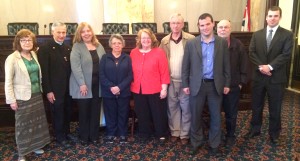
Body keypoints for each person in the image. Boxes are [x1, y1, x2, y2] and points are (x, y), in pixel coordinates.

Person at [181, 13, 230, 155]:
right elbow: (186, 66)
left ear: (213, 24)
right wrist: (185, 84)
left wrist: (227, 83)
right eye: (202, 25)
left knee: (216, 117)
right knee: (195, 116)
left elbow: (226, 65)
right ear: (198, 26)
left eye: (208, 24)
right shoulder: (191, 43)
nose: (205, 27)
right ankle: (196, 142)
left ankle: (214, 145)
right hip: (197, 86)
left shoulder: (221, 42)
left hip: (215, 85)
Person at [246, 6, 293, 144]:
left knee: (275, 107)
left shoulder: (287, 35)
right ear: (266, 18)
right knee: (256, 105)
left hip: (276, 78)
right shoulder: (257, 34)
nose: (272, 18)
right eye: (270, 16)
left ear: (280, 17)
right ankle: (255, 129)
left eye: (275, 16)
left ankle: (274, 133)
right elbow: (252, 52)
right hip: (259, 77)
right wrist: (262, 67)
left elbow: (286, 54)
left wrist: (270, 66)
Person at [5, 29, 50, 161]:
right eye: (23, 40)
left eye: (29, 39)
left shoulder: (33, 55)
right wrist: (12, 100)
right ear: (18, 42)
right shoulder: (12, 58)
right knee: (23, 126)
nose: (26, 42)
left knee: (36, 123)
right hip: (22, 98)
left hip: (36, 94)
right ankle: (22, 153)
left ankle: (35, 146)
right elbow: (8, 81)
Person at [159, 13, 195, 145]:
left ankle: (185, 134)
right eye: (173, 23)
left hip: (186, 81)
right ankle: (175, 132)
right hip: (170, 81)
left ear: (183, 24)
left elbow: (195, 60)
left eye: (178, 23)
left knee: (186, 108)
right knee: (172, 107)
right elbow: (160, 61)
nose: (175, 25)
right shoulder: (164, 41)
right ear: (170, 25)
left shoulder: (191, 39)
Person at [38, 22, 74, 148]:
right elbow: (44, 72)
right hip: (54, 89)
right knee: (57, 113)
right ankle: (59, 136)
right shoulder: (45, 48)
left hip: (68, 88)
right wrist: (48, 91)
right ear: (52, 32)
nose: (61, 35)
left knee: (67, 111)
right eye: (58, 32)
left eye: (63, 32)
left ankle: (67, 132)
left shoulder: (68, 47)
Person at [130, 28, 170, 141]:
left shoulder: (159, 52)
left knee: (158, 113)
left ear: (152, 39)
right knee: (142, 112)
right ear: (139, 40)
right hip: (138, 89)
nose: (146, 40)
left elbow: (164, 71)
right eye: (143, 38)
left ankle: (161, 133)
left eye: (148, 38)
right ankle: (144, 133)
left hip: (155, 88)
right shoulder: (134, 52)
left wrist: (164, 88)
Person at [69, 22, 105, 145]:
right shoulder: (77, 46)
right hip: (83, 85)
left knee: (95, 112)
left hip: (97, 85)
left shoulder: (99, 45)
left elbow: (104, 63)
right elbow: (75, 66)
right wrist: (82, 84)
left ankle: (94, 136)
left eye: (88, 31)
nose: (86, 33)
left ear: (92, 32)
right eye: (83, 31)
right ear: (79, 34)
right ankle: (84, 137)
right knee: (84, 112)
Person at [217, 20, 249, 146]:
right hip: (215, 86)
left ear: (230, 29)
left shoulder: (238, 44)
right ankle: (216, 134)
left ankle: (230, 135)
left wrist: (241, 83)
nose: (223, 29)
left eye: (226, 27)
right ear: (217, 29)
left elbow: (244, 65)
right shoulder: (212, 42)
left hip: (233, 86)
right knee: (215, 112)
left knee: (231, 113)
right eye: (220, 27)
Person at [100, 34, 133, 143]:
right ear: (110, 45)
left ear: (123, 44)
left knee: (123, 113)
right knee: (110, 113)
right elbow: (101, 74)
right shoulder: (105, 58)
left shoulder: (127, 58)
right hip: (108, 92)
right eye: (114, 43)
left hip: (124, 91)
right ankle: (111, 133)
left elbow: (130, 75)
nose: (117, 45)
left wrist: (119, 87)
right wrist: (111, 87)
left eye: (119, 43)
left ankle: (123, 133)